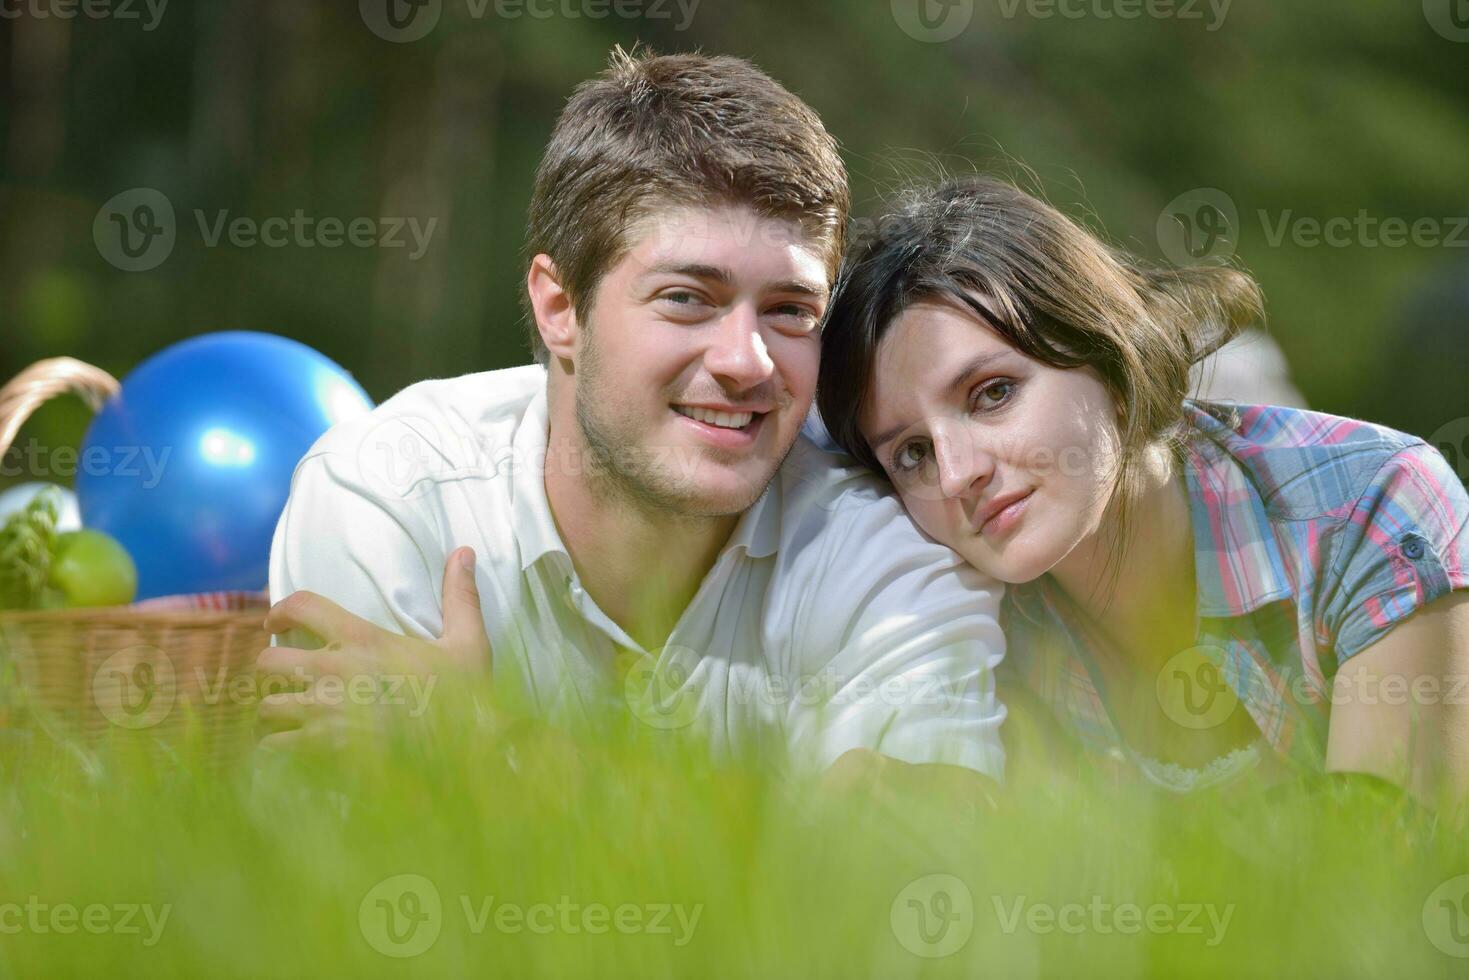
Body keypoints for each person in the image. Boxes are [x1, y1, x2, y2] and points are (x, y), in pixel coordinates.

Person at [257, 49, 1007, 788]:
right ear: (559, 309)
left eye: (789, 311)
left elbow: (916, 870)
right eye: (687, 297)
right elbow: (370, 882)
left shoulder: (882, 549)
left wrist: (486, 748)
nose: (747, 362)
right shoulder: (393, 492)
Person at [814, 174, 1469, 802]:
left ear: (1112, 358)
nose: (957, 474)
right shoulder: (956, 607)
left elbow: (1389, 870)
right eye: (913, 453)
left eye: (992, 393)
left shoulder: (1369, 504)